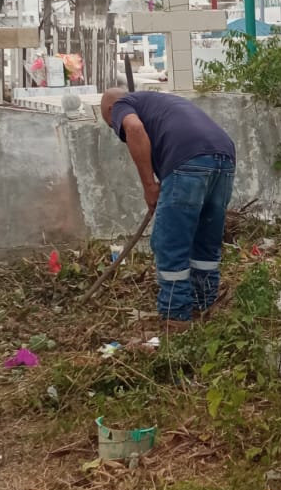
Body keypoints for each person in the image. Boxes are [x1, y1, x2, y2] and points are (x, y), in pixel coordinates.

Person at [99, 88, 236, 323]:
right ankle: (204, 306)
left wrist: (149, 186)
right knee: (205, 241)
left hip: (188, 159)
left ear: (111, 110)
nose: (115, 127)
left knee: (170, 243)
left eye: (112, 124)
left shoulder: (122, 104)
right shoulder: (159, 102)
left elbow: (134, 128)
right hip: (224, 157)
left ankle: (176, 317)